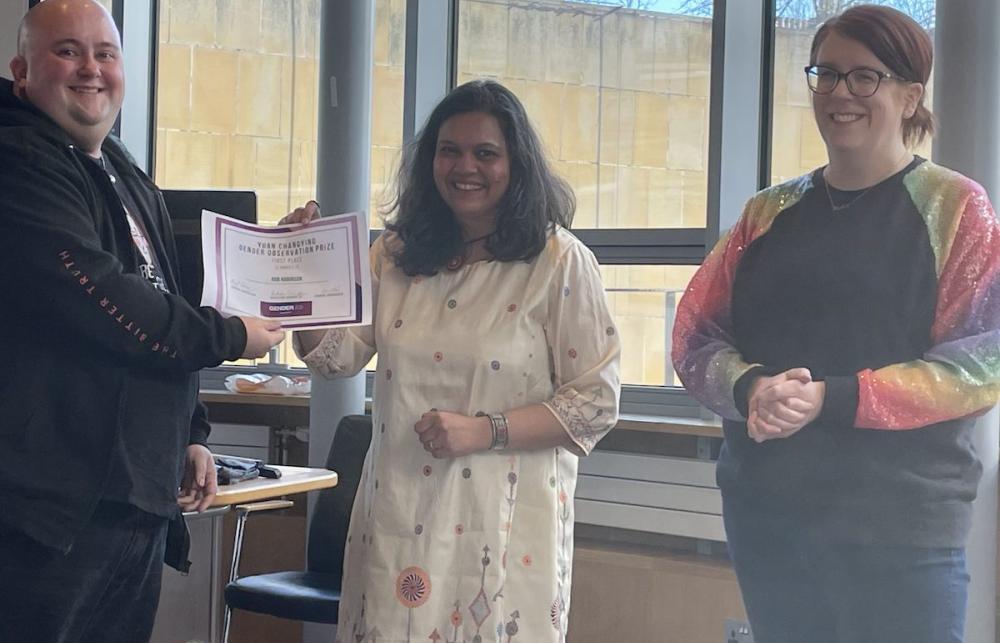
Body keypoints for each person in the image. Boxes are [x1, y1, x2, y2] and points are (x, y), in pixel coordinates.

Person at [672, 6, 1000, 643]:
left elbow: (981, 362)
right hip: (770, 516)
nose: (840, 93)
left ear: (910, 96)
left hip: (901, 527)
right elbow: (694, 335)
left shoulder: (957, 207)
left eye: (865, 77)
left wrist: (833, 398)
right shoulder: (768, 212)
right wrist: (751, 387)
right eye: (826, 74)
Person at [283, 79, 621, 642]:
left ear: (517, 164)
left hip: (503, 533)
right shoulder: (395, 255)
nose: (466, 167)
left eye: (485, 152)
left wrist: (483, 431)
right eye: (450, 150)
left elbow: (595, 403)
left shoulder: (558, 262)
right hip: (396, 518)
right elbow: (334, 358)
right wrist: (299, 278)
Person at [0, 2, 285, 641]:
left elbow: (166, 293)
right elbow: (105, 298)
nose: (91, 69)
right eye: (67, 51)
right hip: (49, 509)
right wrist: (231, 335)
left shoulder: (122, 169)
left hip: (134, 499)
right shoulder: (19, 162)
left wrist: (192, 431)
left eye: (105, 53)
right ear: (22, 71)